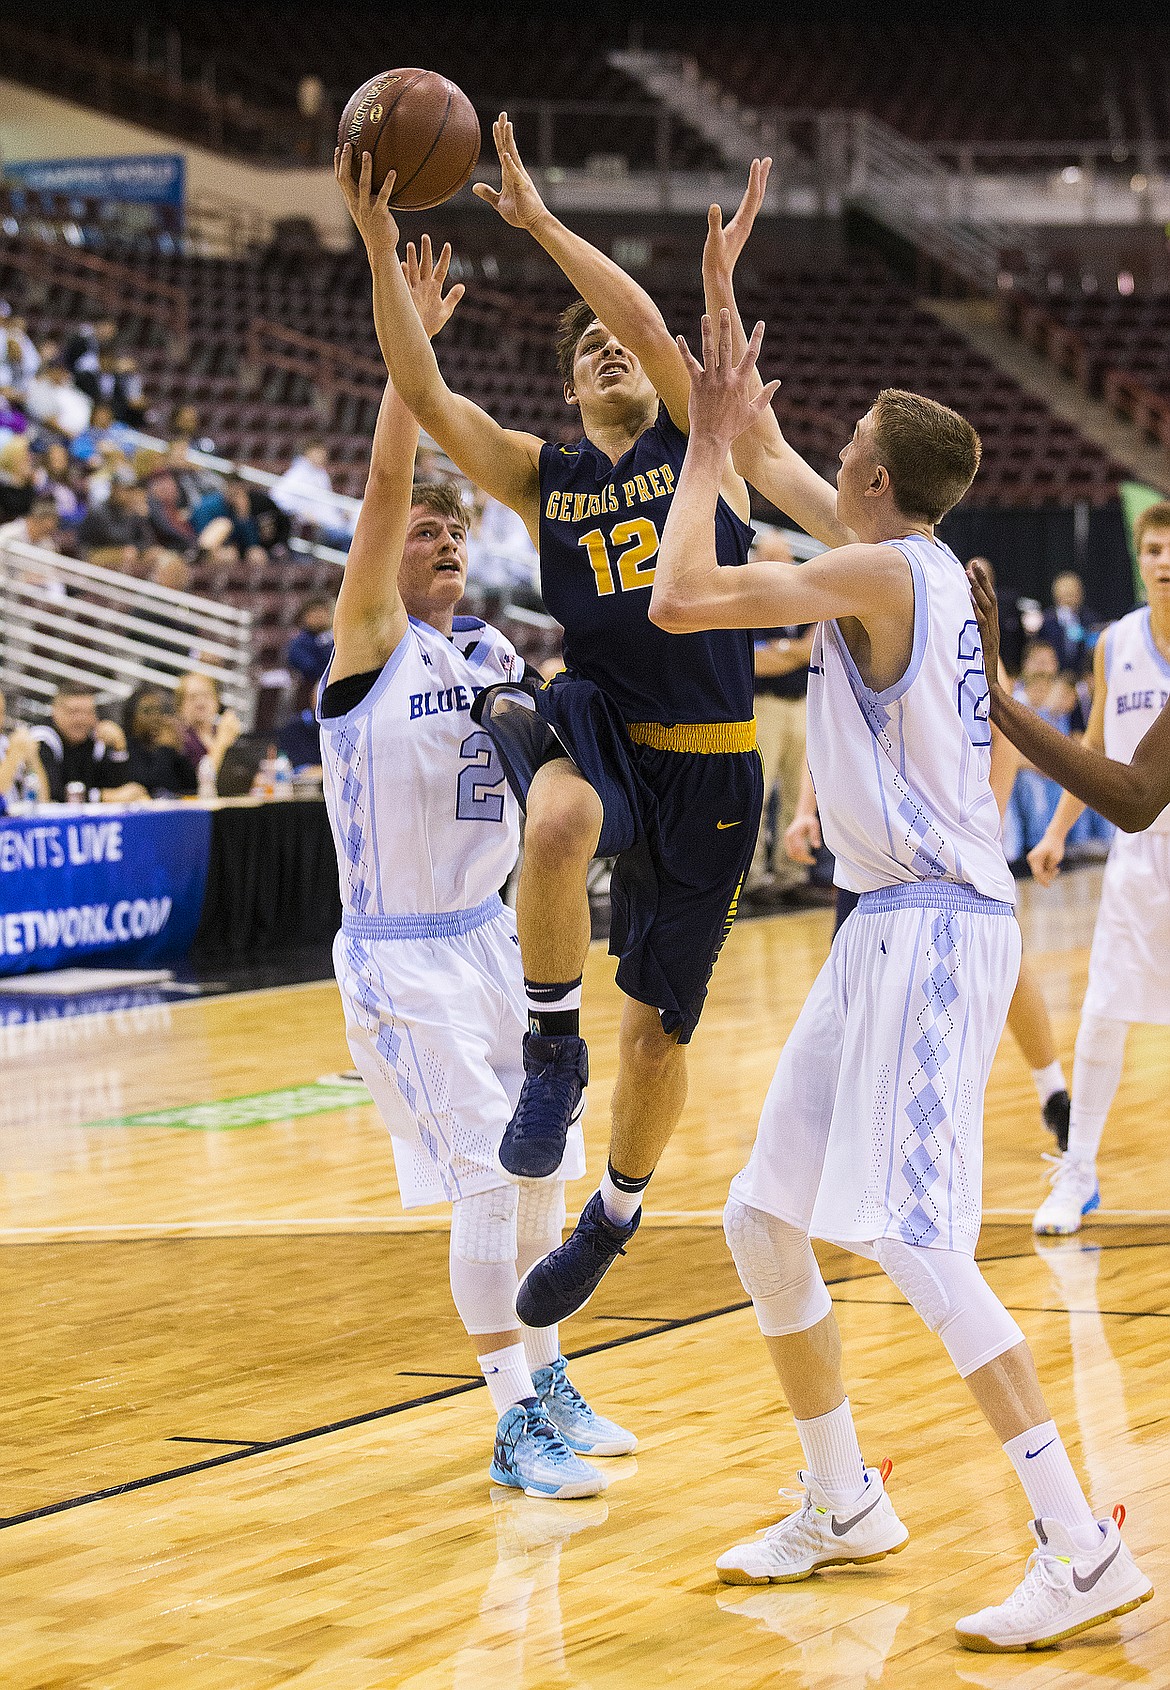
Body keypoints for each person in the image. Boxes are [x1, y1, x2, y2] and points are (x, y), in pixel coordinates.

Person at [650, 301, 1150, 1650]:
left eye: (846, 445)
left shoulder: (884, 575)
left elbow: (680, 591)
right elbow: (762, 448)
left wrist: (698, 448)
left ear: (873, 481)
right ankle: (839, 1499)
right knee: (763, 1215)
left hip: (935, 924)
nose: (830, 452)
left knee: (918, 1240)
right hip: (879, 922)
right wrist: (704, 360)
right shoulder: (896, 550)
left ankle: (1077, 1542)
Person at [341, 121, 764, 1331]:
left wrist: (537, 221)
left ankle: (615, 1212)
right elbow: (420, 391)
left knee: (658, 1046)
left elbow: (641, 322)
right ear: (572, 398)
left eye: (615, 348)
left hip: (715, 768)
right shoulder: (550, 478)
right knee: (561, 812)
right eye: (584, 355)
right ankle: (547, 1053)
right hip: (610, 720)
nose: (605, 352)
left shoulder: (703, 448)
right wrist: (379, 242)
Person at [325, 174, 632, 1498]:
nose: (442, 529)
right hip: (398, 959)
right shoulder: (368, 646)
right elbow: (396, 472)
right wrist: (413, 343)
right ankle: (509, 1422)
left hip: (495, 946)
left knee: (542, 1169)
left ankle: (548, 1377)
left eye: (461, 526)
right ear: (385, 563)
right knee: (479, 1181)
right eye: (424, 531)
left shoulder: (495, 646)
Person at [980, 502, 1170, 1238]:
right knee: (1102, 1015)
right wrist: (1058, 829)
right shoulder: (1114, 642)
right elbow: (1095, 745)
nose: (1162, 561)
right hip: (1138, 856)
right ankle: (1079, 1170)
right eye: (1151, 548)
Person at [747, 528, 817, 906]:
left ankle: (793, 875)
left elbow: (811, 652)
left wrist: (785, 652)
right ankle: (753, 877)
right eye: (773, 557)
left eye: (787, 557)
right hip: (763, 706)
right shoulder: (747, 603)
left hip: (801, 705)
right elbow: (755, 661)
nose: (782, 565)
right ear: (758, 560)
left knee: (797, 794)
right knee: (756, 793)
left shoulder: (801, 601)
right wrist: (794, 651)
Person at [31, 681, 146, 802]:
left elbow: (119, 789)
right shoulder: (42, 738)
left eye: (88, 712)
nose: (81, 720)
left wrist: (119, 747)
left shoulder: (95, 738)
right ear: (55, 711)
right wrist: (103, 797)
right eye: (73, 712)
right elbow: (51, 792)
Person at [119, 685, 199, 797]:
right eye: (147, 711)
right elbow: (150, 786)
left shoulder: (165, 748)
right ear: (131, 717)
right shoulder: (125, 748)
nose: (155, 717)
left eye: (158, 710)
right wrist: (165, 748)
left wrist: (178, 751)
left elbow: (192, 786)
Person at [175, 673, 241, 780]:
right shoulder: (178, 739)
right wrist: (221, 742)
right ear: (181, 705)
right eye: (193, 697)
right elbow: (201, 781)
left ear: (217, 701)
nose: (201, 703)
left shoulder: (222, 731)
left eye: (206, 695)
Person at [285, 595, 336, 711]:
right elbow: (312, 669)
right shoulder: (298, 644)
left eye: (323, 611)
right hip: (307, 701)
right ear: (305, 616)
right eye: (315, 612)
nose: (320, 616)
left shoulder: (334, 639)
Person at [0, 689, 50, 805]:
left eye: (1, 712)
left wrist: (33, 759)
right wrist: (14, 754)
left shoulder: (5, 743)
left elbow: (43, 799)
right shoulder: (14, 748)